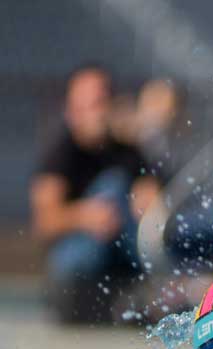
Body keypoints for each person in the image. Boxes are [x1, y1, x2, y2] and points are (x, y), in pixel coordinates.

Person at [31, 64, 160, 323]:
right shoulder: (61, 154)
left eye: (103, 101)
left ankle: (178, 279)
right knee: (112, 186)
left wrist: (147, 202)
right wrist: (84, 216)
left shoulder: (128, 151)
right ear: (72, 110)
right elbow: (43, 222)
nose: (98, 112)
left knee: (163, 227)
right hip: (79, 258)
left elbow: (155, 203)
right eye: (91, 104)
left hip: (123, 250)